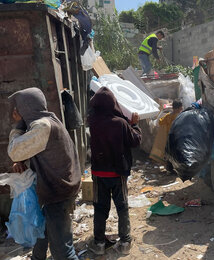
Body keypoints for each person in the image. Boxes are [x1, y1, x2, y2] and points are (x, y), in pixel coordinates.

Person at [7, 87, 81, 260]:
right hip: (56, 191)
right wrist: (21, 161)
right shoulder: (47, 120)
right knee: (42, 233)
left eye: (19, 108)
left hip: (57, 194)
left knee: (63, 251)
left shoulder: (42, 126)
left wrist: (18, 125)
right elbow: (34, 149)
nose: (16, 112)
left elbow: (14, 151)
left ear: (27, 107)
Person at [87, 87, 142, 256]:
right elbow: (135, 141)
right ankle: (125, 242)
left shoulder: (92, 121)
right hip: (117, 173)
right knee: (122, 207)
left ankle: (99, 243)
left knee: (100, 208)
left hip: (98, 173)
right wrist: (135, 125)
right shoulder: (120, 123)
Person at [149, 99, 183, 164]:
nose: (182, 108)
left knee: (168, 154)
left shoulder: (167, 116)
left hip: (167, 139)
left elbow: (159, 122)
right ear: (179, 108)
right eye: (181, 107)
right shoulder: (179, 117)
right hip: (175, 139)